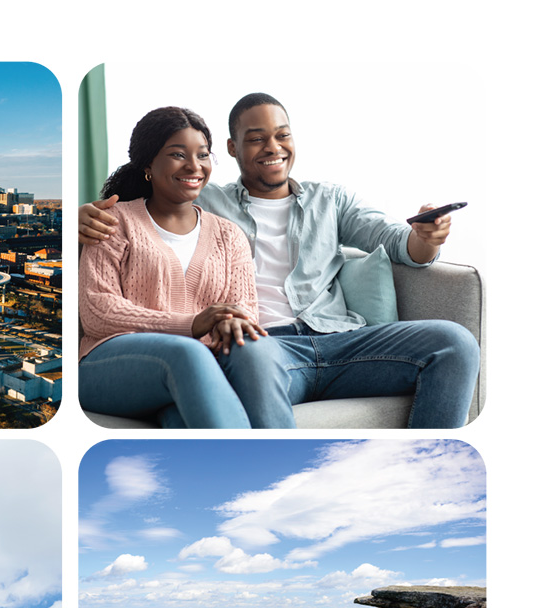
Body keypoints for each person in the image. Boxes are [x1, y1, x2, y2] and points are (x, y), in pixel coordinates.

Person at [80, 93, 481, 428]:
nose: (273, 147)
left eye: (282, 135)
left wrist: (425, 238)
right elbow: (151, 206)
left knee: (454, 342)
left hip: (339, 338)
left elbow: (397, 243)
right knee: (244, 351)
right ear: (233, 149)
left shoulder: (327, 201)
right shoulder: (199, 198)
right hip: (262, 348)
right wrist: (72, 222)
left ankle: (427, 470)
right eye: (256, 139)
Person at [80, 106, 285, 428]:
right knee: (187, 353)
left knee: (252, 350)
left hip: (194, 370)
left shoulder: (229, 235)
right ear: (148, 164)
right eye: (178, 155)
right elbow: (98, 311)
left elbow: (244, 309)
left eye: (203, 155)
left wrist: (232, 322)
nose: (194, 166)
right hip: (109, 364)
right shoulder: (112, 221)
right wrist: (191, 324)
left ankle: (270, 457)